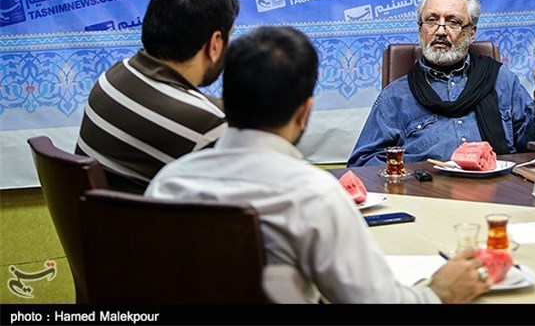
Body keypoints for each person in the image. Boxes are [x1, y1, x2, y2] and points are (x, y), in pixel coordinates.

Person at [145, 26, 492, 304]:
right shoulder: (314, 196)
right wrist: (439, 293)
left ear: (225, 101)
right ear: (304, 111)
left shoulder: (168, 182)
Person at [348, 0, 535, 168]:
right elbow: (362, 163)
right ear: (421, 29)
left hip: (499, 191)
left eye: (452, 22)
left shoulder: (501, 81)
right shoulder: (396, 96)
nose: (440, 31)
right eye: (431, 20)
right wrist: (412, 177)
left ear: (471, 33)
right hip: (426, 195)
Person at [75, 0, 240, 193]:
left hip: (101, 215)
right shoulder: (210, 126)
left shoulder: (112, 78)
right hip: (151, 216)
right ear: (216, 42)